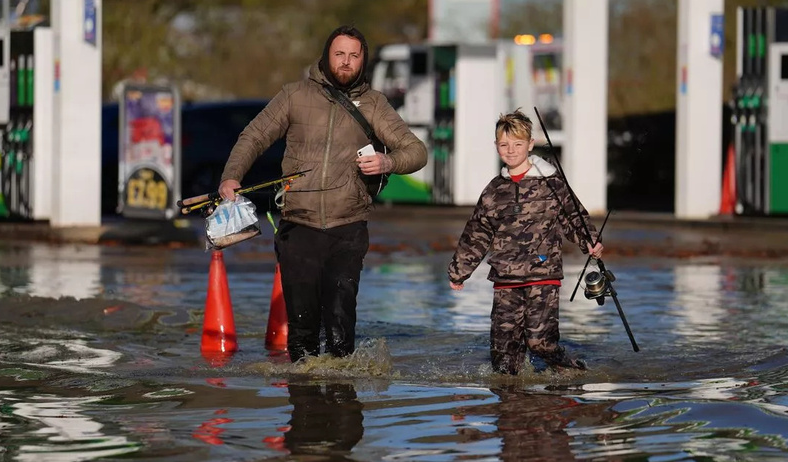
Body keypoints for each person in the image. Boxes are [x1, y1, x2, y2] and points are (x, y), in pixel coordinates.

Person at [218, 26, 427, 362]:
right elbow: (253, 136)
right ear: (327, 56)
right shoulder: (294, 95)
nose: (345, 62)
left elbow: (417, 151)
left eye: (353, 56)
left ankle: (342, 405)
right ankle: (306, 407)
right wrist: (231, 177)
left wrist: (388, 161)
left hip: (348, 227)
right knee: (302, 331)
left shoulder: (374, 104)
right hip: (298, 226)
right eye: (339, 54)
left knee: (341, 326)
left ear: (363, 60)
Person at [447, 109, 603, 375]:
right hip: (505, 280)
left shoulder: (552, 183)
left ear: (530, 145)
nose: (511, 150)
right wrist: (459, 272)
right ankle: (512, 407)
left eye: (517, 144)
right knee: (503, 358)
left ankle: (572, 373)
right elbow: (477, 232)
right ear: (496, 147)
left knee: (540, 343)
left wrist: (589, 241)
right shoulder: (494, 190)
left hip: (543, 276)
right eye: (504, 145)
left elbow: (573, 217)